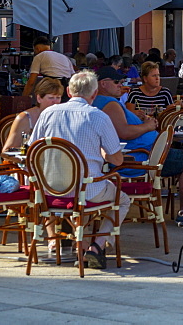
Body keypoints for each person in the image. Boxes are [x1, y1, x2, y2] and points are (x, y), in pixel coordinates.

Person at [30, 70, 129, 270]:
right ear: (94, 95)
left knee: (81, 203)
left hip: (50, 188)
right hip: (87, 189)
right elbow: (117, 160)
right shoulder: (98, 116)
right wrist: (102, 154)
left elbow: (33, 150)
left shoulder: (48, 113)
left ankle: (82, 245)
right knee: (123, 199)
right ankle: (97, 245)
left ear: (68, 91)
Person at [2, 78, 63, 152]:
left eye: (58, 98)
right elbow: (7, 150)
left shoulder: (63, 117)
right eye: (51, 98)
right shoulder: (24, 118)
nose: (55, 102)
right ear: (39, 98)